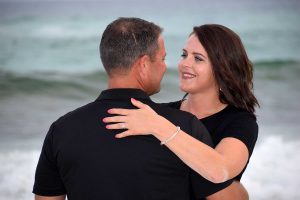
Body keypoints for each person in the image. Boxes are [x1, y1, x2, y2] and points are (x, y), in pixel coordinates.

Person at [33, 18, 233, 200]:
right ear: (144, 64)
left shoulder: (62, 130)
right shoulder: (185, 128)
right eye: (162, 59)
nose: (166, 67)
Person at [103, 24, 259, 199]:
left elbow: (219, 171)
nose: (184, 64)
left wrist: (159, 127)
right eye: (184, 55)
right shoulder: (160, 114)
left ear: (222, 68)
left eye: (198, 58)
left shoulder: (240, 121)